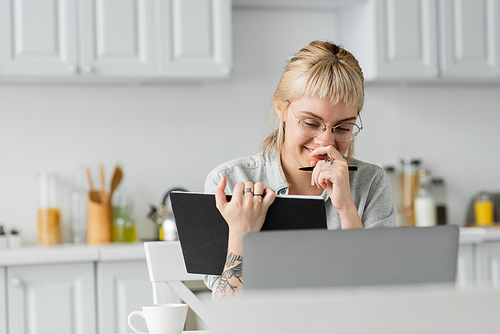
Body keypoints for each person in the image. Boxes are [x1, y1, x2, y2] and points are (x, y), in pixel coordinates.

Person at [203, 40, 397, 300]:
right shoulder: (232, 181)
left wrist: (347, 209)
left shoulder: (371, 183)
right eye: (310, 123)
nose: (326, 142)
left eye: (342, 128)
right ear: (281, 108)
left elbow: (377, 296)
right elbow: (228, 311)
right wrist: (242, 234)